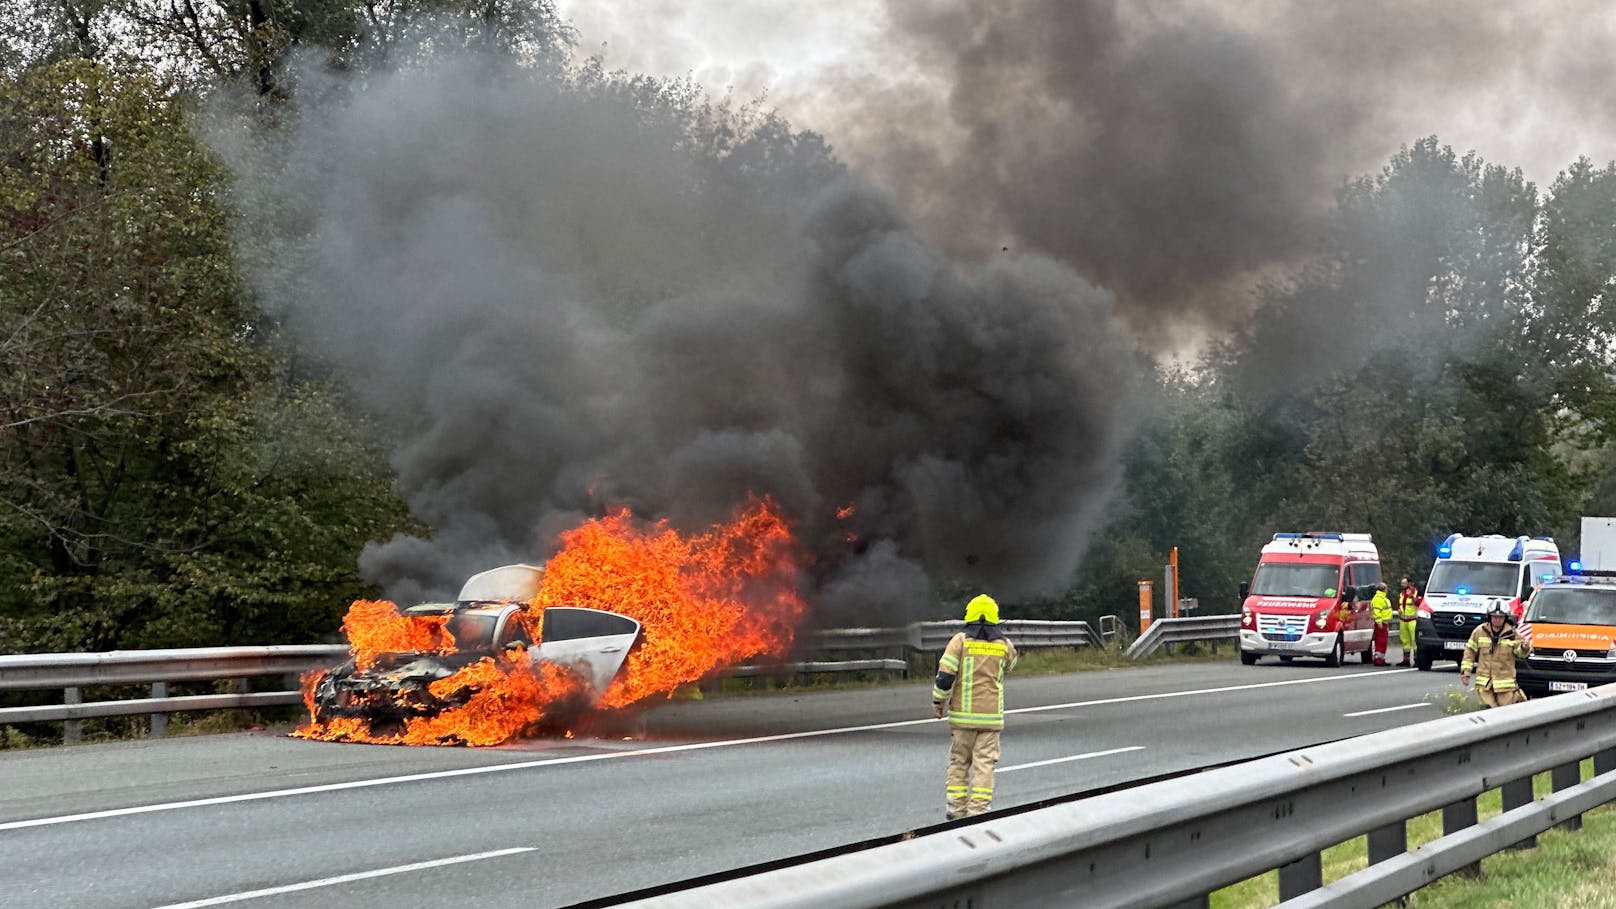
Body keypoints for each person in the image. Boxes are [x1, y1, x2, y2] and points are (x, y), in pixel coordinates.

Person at [932, 594, 1018, 820]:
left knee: (959, 762)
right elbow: (1012, 663)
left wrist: (938, 701)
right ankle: (978, 812)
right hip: (990, 721)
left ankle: (956, 810)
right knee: (985, 765)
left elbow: (945, 676)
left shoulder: (959, 642)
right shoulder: (1004, 646)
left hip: (962, 720)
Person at [1461, 603, 1532, 707]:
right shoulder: (1480, 631)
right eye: (1494, 617)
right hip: (1485, 684)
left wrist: (1524, 648)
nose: (1497, 620)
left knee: (1504, 714)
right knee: (1488, 712)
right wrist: (1466, 672)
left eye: (1500, 617)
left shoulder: (1512, 634)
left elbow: (1520, 654)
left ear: (1505, 618)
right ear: (1489, 616)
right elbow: (1469, 651)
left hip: (1505, 685)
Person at [1395, 576, 1421, 667]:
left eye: (1404, 583)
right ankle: (1406, 660)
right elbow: (1400, 604)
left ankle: (1417, 659)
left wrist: (1412, 597)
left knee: (1414, 641)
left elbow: (1420, 603)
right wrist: (1398, 609)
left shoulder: (1416, 592)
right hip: (1403, 620)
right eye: (1402, 583)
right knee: (1405, 641)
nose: (1402, 585)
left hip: (1412, 620)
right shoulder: (1402, 593)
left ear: (1409, 583)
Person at [1370, 582, 1394, 666]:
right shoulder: (1378, 599)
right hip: (1381, 623)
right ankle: (1378, 659)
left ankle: (1381, 659)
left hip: (1384, 623)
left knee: (1383, 641)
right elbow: (1377, 612)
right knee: (1380, 641)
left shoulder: (1382, 598)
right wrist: (1379, 622)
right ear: (1384, 589)